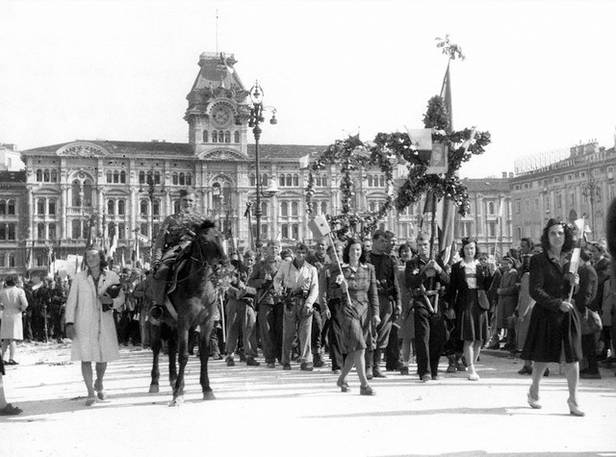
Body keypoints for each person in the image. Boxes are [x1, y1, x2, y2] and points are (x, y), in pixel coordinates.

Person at [521, 219, 584, 416]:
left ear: (566, 236)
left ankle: (573, 399)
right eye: (553, 233)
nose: (557, 236)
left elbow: (574, 290)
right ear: (547, 236)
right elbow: (535, 290)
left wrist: (576, 284)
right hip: (546, 313)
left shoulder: (572, 259)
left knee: (573, 357)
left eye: (561, 233)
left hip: (568, 312)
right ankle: (534, 389)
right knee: (542, 357)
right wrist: (557, 304)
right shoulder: (538, 259)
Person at [65, 246, 125, 406]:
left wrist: (111, 302)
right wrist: (69, 323)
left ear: (101, 258)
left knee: (102, 357)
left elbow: (121, 298)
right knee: (85, 357)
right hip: (83, 323)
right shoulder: (79, 278)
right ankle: (90, 393)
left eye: (93, 256)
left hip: (104, 322)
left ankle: (99, 382)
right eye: (88, 257)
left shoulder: (112, 276)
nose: (90, 259)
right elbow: (71, 301)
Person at [334, 239, 380, 395]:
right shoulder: (341, 269)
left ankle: (342, 378)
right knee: (360, 346)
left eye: (358, 249)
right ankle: (364, 385)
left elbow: (373, 293)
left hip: (364, 310)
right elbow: (331, 292)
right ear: (348, 252)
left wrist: (376, 313)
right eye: (353, 250)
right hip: (348, 309)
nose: (356, 253)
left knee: (354, 350)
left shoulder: (369, 268)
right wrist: (341, 287)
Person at [150, 188, 204, 319]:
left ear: (195, 202)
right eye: (185, 200)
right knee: (161, 271)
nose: (188, 203)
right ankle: (158, 306)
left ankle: (214, 309)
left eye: (190, 200)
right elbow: (160, 242)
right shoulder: (170, 220)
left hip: (196, 253)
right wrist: (157, 260)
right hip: (175, 251)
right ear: (180, 201)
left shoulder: (201, 220)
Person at [446, 237, 492, 381]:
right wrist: (451, 307)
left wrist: (491, 273)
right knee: (468, 338)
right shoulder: (457, 267)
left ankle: (470, 363)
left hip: (480, 303)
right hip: (465, 302)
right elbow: (452, 289)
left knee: (479, 339)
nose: (469, 251)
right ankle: (471, 368)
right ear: (463, 250)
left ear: (475, 249)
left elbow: (488, 286)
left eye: (472, 248)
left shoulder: (482, 266)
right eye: (467, 248)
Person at [406, 233, 450, 381]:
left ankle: (434, 369)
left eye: (425, 245)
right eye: (420, 245)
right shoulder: (412, 263)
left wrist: (439, 270)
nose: (423, 248)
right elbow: (410, 282)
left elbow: (447, 281)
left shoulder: (437, 261)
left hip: (436, 301)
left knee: (438, 336)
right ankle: (425, 371)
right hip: (421, 300)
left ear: (430, 245)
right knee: (423, 336)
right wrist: (424, 274)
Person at [274, 243, 318, 371]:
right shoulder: (285, 266)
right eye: (298, 252)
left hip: (305, 302)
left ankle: (306, 360)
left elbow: (315, 288)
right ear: (295, 252)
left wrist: (309, 303)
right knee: (288, 333)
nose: (300, 255)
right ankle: (286, 360)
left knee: (305, 333)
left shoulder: (311, 269)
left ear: (306, 254)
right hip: (290, 301)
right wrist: (279, 290)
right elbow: (277, 279)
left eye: (303, 252)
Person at [366, 230, 401, 379]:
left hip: (386, 299)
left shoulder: (389, 260)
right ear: (373, 241)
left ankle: (377, 366)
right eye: (381, 241)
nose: (384, 244)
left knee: (383, 334)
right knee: (370, 333)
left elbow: (395, 282)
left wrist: (398, 303)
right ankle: (368, 366)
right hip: (370, 300)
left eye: (386, 241)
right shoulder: (366, 258)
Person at [250, 240, 283, 368]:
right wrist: (262, 281)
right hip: (265, 300)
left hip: (280, 300)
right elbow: (250, 282)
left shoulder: (284, 265)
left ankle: (281, 356)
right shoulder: (259, 265)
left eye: (276, 248)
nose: (274, 250)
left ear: (279, 249)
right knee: (267, 331)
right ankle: (270, 358)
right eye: (271, 248)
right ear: (267, 250)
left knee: (281, 329)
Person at [0, 276, 29, 365]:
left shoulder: (2, 291)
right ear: (15, 282)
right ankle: (11, 358)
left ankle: (2, 358)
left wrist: (2, 307)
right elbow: (25, 304)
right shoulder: (19, 291)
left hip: (5, 314)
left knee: (5, 338)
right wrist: (21, 309)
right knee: (13, 338)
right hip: (15, 314)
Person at [396, 243, 415, 376]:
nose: (404, 253)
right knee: (406, 336)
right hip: (403, 302)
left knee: (418, 336)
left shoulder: (416, 266)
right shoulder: (397, 267)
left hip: (416, 301)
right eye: (402, 251)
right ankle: (405, 363)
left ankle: (421, 363)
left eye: (407, 251)